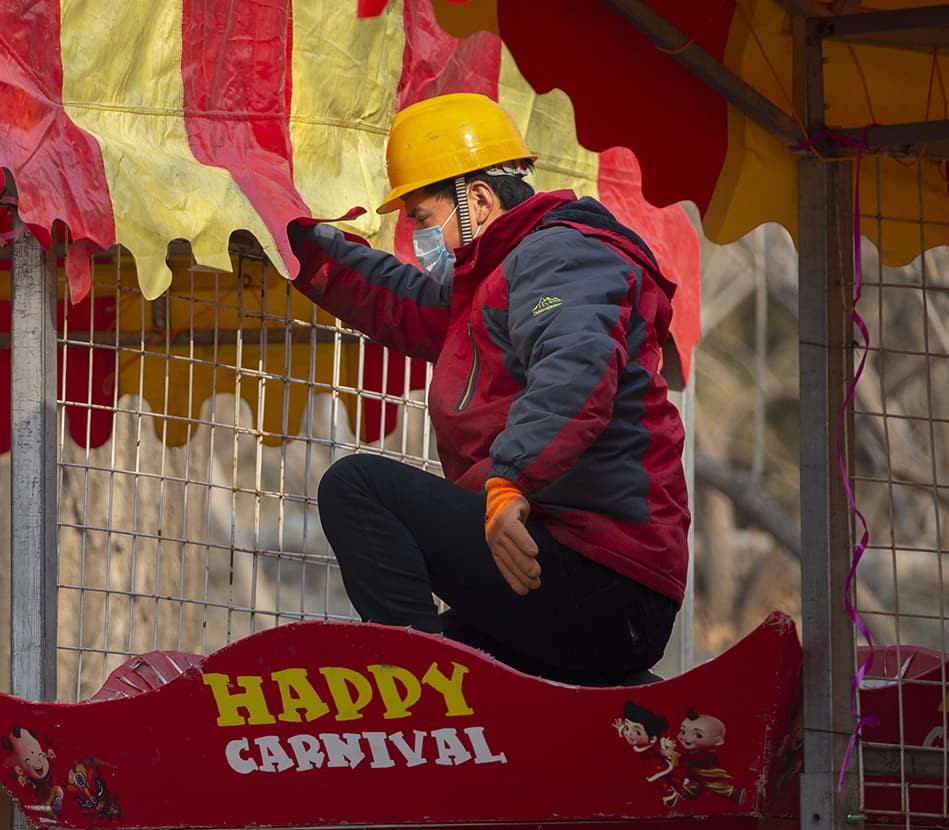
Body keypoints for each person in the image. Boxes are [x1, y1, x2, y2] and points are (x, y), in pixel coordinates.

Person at [287, 93, 689, 686]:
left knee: (357, 488)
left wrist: (510, 482)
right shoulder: (494, 283)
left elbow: (577, 366)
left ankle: (416, 702)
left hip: (603, 577)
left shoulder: (560, 254)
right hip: (563, 575)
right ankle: (453, 703)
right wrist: (291, 243)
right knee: (462, 670)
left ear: (475, 199)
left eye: (423, 220)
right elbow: (397, 300)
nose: (423, 241)